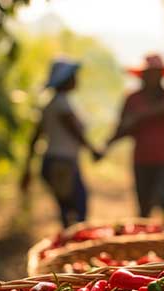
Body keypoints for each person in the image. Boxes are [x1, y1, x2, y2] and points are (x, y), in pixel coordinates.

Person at [21, 59, 101, 227]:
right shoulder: (61, 104)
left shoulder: (50, 104)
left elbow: (35, 137)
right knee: (78, 209)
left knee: (67, 208)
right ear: (66, 80)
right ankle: (74, 245)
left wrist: (27, 168)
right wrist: (94, 150)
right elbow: (76, 132)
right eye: (74, 77)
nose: (77, 80)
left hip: (53, 162)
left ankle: (69, 243)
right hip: (62, 163)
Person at [104, 54, 164, 217]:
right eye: (150, 73)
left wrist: (136, 118)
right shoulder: (132, 98)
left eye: (157, 72)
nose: (154, 76)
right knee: (144, 209)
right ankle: (144, 241)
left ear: (162, 74)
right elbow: (122, 128)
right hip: (143, 162)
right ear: (143, 75)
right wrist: (106, 146)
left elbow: (157, 111)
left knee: (163, 200)